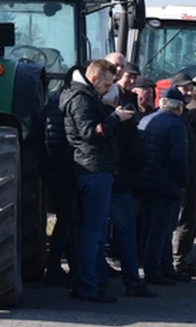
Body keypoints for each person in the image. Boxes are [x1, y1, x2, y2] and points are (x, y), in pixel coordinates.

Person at [60, 59, 133, 302]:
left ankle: (88, 282)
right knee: (93, 231)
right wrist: (115, 118)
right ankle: (87, 285)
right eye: (106, 84)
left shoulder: (83, 97)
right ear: (93, 80)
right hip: (94, 169)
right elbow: (91, 134)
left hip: (93, 167)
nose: (108, 88)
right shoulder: (82, 100)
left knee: (93, 231)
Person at [106, 84, 157, 298]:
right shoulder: (125, 122)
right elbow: (138, 152)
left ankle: (93, 279)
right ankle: (132, 282)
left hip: (97, 177)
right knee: (127, 233)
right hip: (120, 183)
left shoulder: (93, 115)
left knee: (94, 231)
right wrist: (133, 175)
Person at [135, 87, 189, 285]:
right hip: (165, 183)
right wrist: (183, 182)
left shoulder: (146, 120)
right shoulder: (176, 125)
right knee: (161, 229)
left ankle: (162, 267)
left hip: (144, 181)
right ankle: (154, 270)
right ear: (179, 106)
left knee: (148, 227)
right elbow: (178, 158)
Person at [42, 66, 80, 287]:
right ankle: (54, 267)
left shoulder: (61, 101)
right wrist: (66, 165)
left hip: (61, 168)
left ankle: (72, 266)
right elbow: (54, 139)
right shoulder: (60, 104)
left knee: (70, 219)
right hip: (60, 170)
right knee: (67, 219)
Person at [173, 73, 196, 277]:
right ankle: (177, 261)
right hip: (182, 178)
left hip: (191, 176)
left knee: (188, 221)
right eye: (184, 88)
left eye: (189, 89)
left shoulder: (186, 113)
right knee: (182, 221)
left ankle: (180, 260)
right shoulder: (178, 116)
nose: (187, 92)